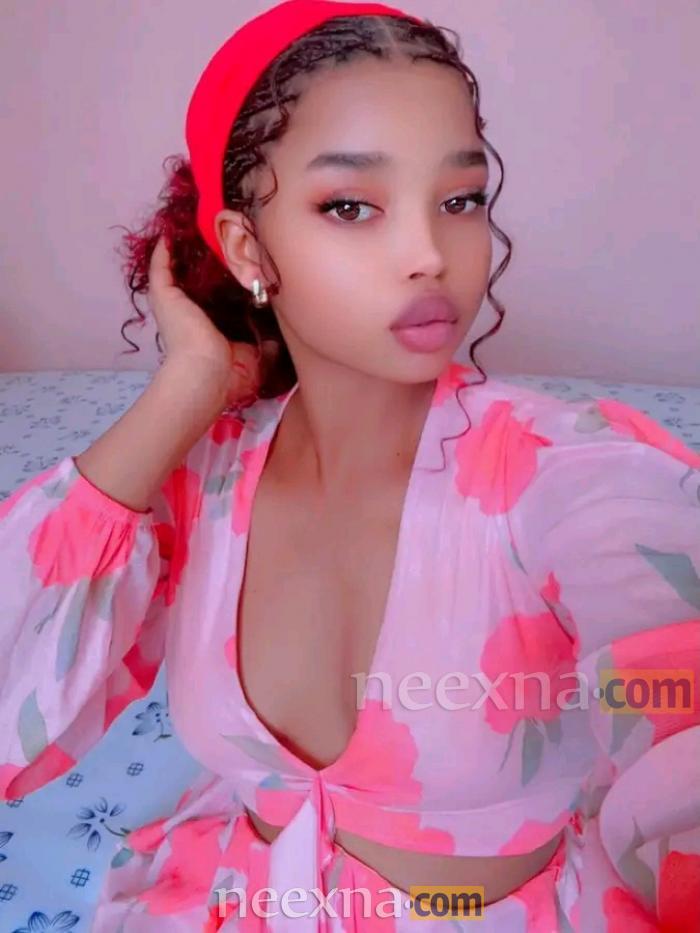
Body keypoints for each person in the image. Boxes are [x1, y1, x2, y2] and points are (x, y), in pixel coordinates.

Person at [1, 1, 699, 929]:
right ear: (247, 247)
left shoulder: (569, 477)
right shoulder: (208, 474)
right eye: (350, 206)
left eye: (461, 199)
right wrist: (189, 387)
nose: (429, 256)